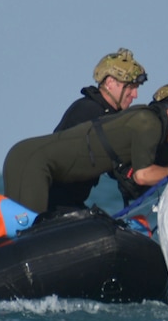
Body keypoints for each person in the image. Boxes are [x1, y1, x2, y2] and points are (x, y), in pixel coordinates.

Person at [1, 78, 168, 215]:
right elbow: (143, 175)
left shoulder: (144, 119)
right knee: (25, 232)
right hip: (33, 163)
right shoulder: (148, 123)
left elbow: (158, 158)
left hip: (28, 157)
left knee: (15, 230)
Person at [48, 48, 149, 209]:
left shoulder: (97, 110)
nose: (135, 94)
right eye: (130, 87)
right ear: (110, 83)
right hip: (55, 205)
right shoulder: (91, 112)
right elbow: (117, 164)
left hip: (69, 203)